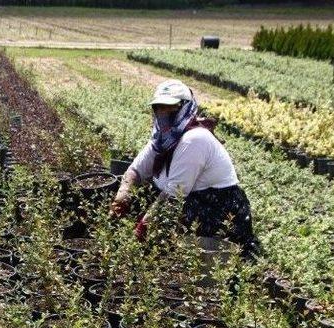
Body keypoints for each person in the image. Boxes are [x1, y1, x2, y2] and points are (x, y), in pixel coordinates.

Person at [110, 79, 258, 255]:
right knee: (141, 199)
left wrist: (141, 229)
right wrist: (121, 198)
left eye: (171, 107)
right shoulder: (162, 138)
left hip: (214, 207)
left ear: (185, 107)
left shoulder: (194, 139)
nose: (163, 112)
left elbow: (173, 196)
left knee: (175, 245)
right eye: (159, 107)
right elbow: (135, 171)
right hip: (184, 198)